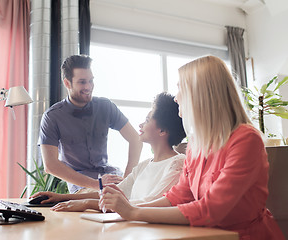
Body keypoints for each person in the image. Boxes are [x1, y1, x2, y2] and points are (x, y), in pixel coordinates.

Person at [99, 56, 285, 240]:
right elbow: (177, 197)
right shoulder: (196, 143)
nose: (176, 97)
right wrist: (127, 209)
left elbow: (211, 209)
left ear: (201, 94)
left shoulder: (246, 139)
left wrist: (133, 212)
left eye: (180, 88)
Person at [31, 92, 186, 212]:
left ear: (162, 131)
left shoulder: (178, 163)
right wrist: (61, 198)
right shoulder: (144, 166)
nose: (140, 124)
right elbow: (113, 194)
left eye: (147, 120)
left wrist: (87, 203)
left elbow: (150, 203)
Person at [38, 55, 143, 194]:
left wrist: (127, 179)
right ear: (67, 83)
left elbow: (136, 139)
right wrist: (97, 184)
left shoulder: (106, 106)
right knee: (103, 200)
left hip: (109, 175)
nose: (88, 87)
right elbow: (50, 166)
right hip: (81, 184)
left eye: (91, 81)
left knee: (142, 193)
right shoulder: (52, 117)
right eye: (82, 82)